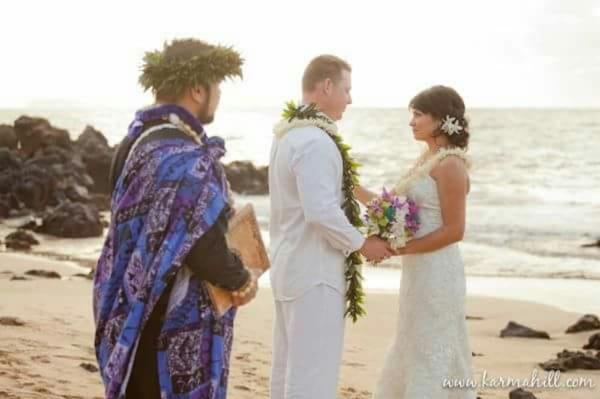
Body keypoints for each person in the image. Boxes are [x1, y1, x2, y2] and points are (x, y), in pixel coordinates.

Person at [93, 38, 258, 399]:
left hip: (131, 316)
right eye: (217, 86)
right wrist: (242, 279)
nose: (218, 95)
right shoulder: (188, 158)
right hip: (171, 328)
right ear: (198, 89)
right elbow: (202, 245)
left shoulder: (135, 144)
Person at [268, 54, 394, 399]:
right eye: (347, 89)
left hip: (289, 267)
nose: (350, 99)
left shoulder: (287, 136)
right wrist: (362, 244)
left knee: (287, 369)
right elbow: (320, 210)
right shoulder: (315, 141)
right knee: (313, 375)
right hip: (314, 274)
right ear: (326, 86)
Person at [355, 85, 477, 399]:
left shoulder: (451, 165)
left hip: (438, 272)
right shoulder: (427, 159)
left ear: (441, 119)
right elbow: (388, 207)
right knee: (412, 340)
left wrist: (399, 248)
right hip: (417, 272)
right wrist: (350, 186)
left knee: (432, 345)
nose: (412, 121)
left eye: (418, 114)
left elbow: (454, 231)